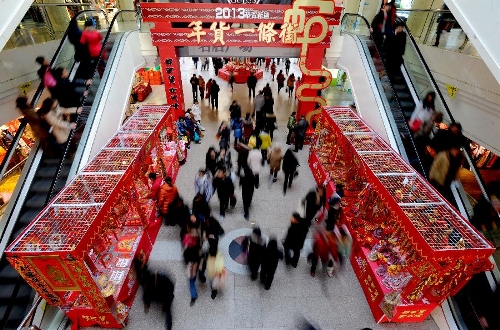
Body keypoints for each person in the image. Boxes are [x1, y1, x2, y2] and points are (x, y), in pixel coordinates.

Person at [133, 259, 175, 330]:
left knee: (165, 306)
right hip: (166, 294)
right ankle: (169, 327)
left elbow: (146, 295)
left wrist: (146, 304)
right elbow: (171, 284)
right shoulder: (160, 276)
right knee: (168, 310)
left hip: (159, 295)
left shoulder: (146, 284)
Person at [182, 215, 201, 306]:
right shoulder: (198, 236)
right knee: (198, 272)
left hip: (190, 259)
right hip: (196, 258)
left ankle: (194, 294)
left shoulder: (186, 237)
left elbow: (185, 249)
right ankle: (202, 278)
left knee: (191, 279)